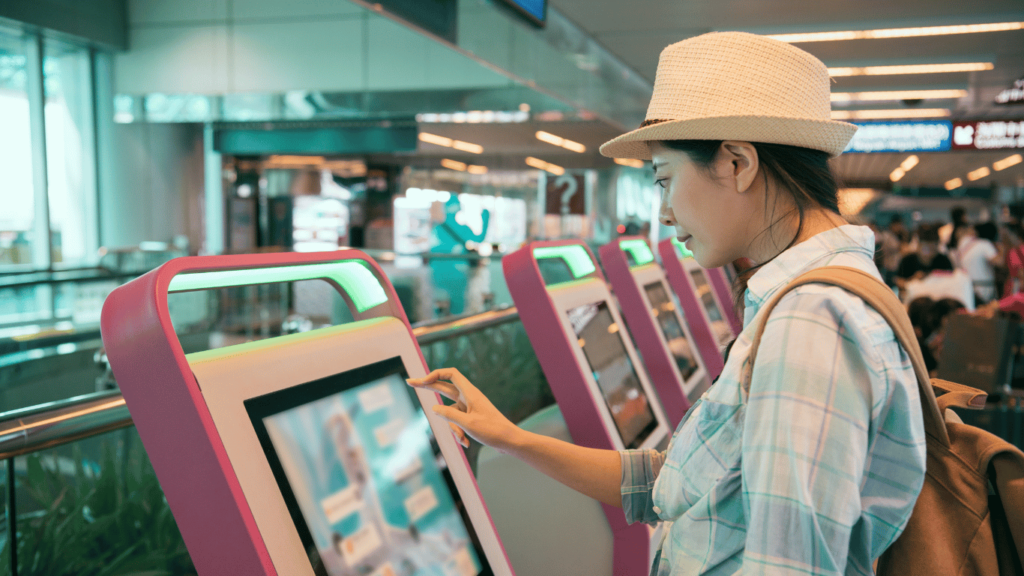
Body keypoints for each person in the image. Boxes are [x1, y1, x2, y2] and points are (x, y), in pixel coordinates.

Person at [409, 32, 926, 575]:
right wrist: (511, 438)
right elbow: (674, 484)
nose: (663, 212)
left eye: (665, 179)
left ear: (736, 163)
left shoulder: (811, 321)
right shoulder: (807, 298)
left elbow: (790, 565)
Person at [895, 222, 954, 292]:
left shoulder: (944, 260)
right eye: (926, 249)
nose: (929, 254)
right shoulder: (907, 260)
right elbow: (898, 281)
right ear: (918, 246)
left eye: (933, 249)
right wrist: (912, 280)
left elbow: (952, 281)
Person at [957, 222, 1003, 304]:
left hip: (967, 287)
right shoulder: (985, 244)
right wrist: (1002, 248)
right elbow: (999, 262)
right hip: (985, 288)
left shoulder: (963, 243)